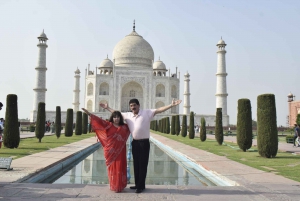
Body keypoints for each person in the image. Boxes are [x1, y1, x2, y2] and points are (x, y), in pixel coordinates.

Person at [100, 98, 182, 193]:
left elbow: (159, 110)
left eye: (134, 105)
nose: (133, 107)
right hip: (135, 143)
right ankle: (137, 184)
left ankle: (141, 186)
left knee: (143, 164)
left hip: (144, 143)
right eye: (131, 106)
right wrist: (107, 108)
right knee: (136, 164)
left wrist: (171, 105)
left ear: (139, 105)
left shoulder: (146, 113)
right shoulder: (128, 115)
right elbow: (117, 114)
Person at [82, 108, 130, 192]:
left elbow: (134, 125)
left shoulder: (124, 127)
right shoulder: (108, 125)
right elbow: (99, 121)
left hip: (120, 151)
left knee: (120, 166)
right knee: (112, 168)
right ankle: (114, 185)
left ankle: (120, 185)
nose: (116, 119)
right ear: (112, 118)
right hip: (110, 151)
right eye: (115, 117)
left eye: (118, 117)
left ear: (120, 118)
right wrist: (89, 114)